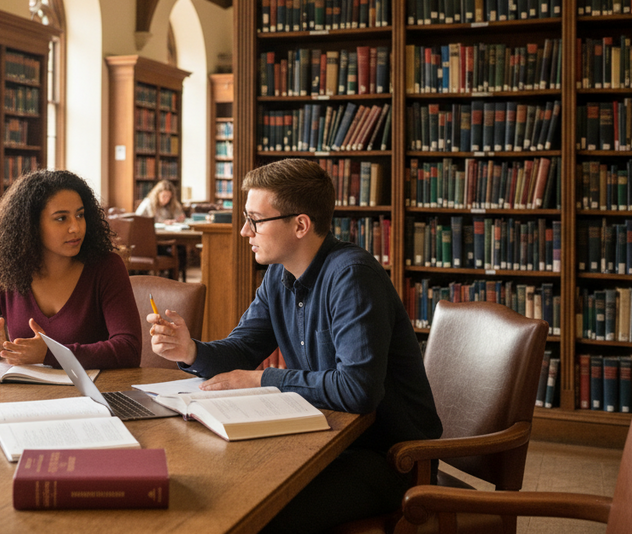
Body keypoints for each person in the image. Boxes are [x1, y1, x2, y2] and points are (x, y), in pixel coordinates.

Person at [147, 158, 442, 532]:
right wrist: (189, 350)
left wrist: (262, 380)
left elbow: (357, 391)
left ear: (300, 224)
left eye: (255, 220)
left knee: (252, 510)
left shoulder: (352, 277)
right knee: (224, 484)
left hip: (390, 459)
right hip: (326, 439)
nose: (243, 231)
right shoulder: (278, 274)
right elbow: (242, 348)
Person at [0, 169, 141, 369]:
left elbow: (129, 349)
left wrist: (52, 354)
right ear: (31, 225)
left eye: (80, 215)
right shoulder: (6, 271)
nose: (76, 227)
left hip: (95, 395)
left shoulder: (106, 267)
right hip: (25, 394)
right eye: (61, 218)